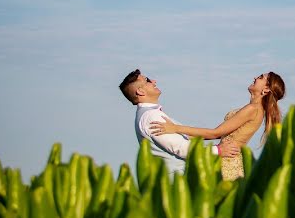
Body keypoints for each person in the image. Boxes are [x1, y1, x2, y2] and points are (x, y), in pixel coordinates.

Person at [150, 72, 285, 180]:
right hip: (227, 158)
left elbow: (215, 133)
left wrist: (175, 128)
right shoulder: (253, 108)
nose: (255, 77)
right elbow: (220, 134)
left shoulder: (253, 109)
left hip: (228, 162)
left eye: (261, 77)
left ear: (266, 89)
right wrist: (180, 136)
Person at [119, 69, 239, 175]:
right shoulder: (151, 117)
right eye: (148, 80)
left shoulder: (151, 114)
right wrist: (218, 150)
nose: (154, 81)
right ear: (140, 91)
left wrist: (218, 135)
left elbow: (186, 136)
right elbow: (181, 148)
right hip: (175, 182)